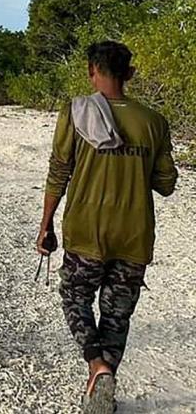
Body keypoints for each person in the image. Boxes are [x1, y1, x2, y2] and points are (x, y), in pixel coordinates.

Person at [36, 41, 177, 413]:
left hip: (85, 231)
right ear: (130, 74)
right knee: (117, 314)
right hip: (134, 234)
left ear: (90, 71)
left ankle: (96, 365)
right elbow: (166, 185)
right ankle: (104, 377)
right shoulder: (154, 122)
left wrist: (45, 224)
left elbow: (58, 172)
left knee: (75, 298)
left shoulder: (75, 112)